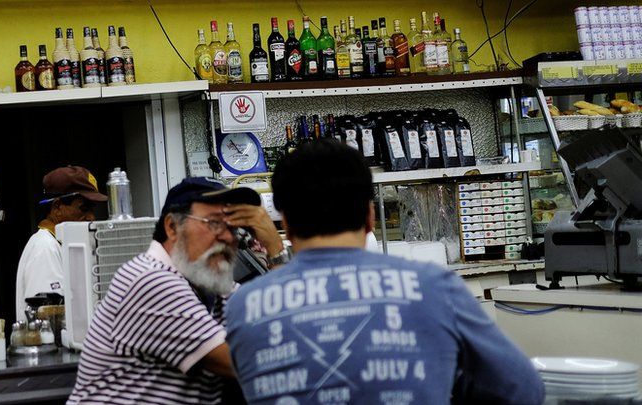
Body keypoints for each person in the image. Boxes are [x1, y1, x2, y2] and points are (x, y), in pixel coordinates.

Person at [224, 139, 545, 404]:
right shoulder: (434, 287)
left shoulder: (243, 307)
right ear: (370, 217)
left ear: (287, 224)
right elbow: (523, 389)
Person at [69, 177, 287, 404]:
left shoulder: (211, 284)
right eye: (214, 223)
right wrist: (276, 249)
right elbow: (250, 363)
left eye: (234, 227)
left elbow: (285, 322)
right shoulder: (151, 280)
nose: (227, 236)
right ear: (172, 227)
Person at [14, 166, 107, 320]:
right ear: (57, 207)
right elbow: (46, 317)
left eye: (92, 209)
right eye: (84, 208)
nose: (91, 217)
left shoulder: (64, 244)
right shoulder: (45, 247)